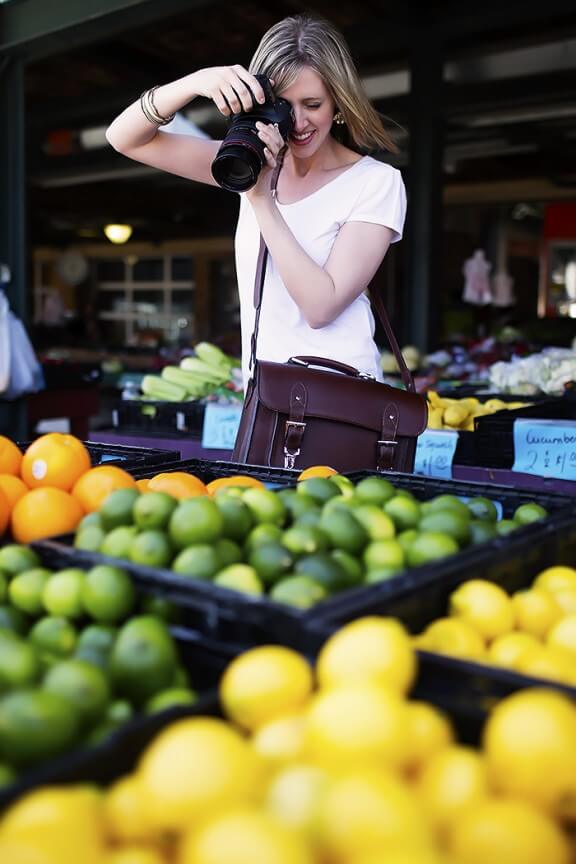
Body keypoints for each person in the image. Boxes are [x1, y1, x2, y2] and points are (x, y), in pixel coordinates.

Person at [106, 14, 406, 387]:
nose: (297, 122)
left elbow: (320, 306)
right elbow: (124, 138)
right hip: (264, 401)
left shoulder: (375, 182)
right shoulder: (249, 165)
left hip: (338, 406)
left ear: (339, 104)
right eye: (282, 105)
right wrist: (193, 83)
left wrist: (261, 199)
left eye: (312, 104)